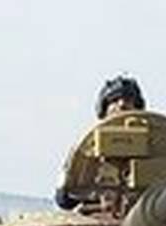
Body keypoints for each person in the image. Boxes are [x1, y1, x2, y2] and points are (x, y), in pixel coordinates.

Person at [55, 76, 148, 210]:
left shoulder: (158, 143)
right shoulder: (87, 147)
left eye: (129, 99)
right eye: (114, 100)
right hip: (98, 216)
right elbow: (64, 199)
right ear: (104, 109)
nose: (122, 104)